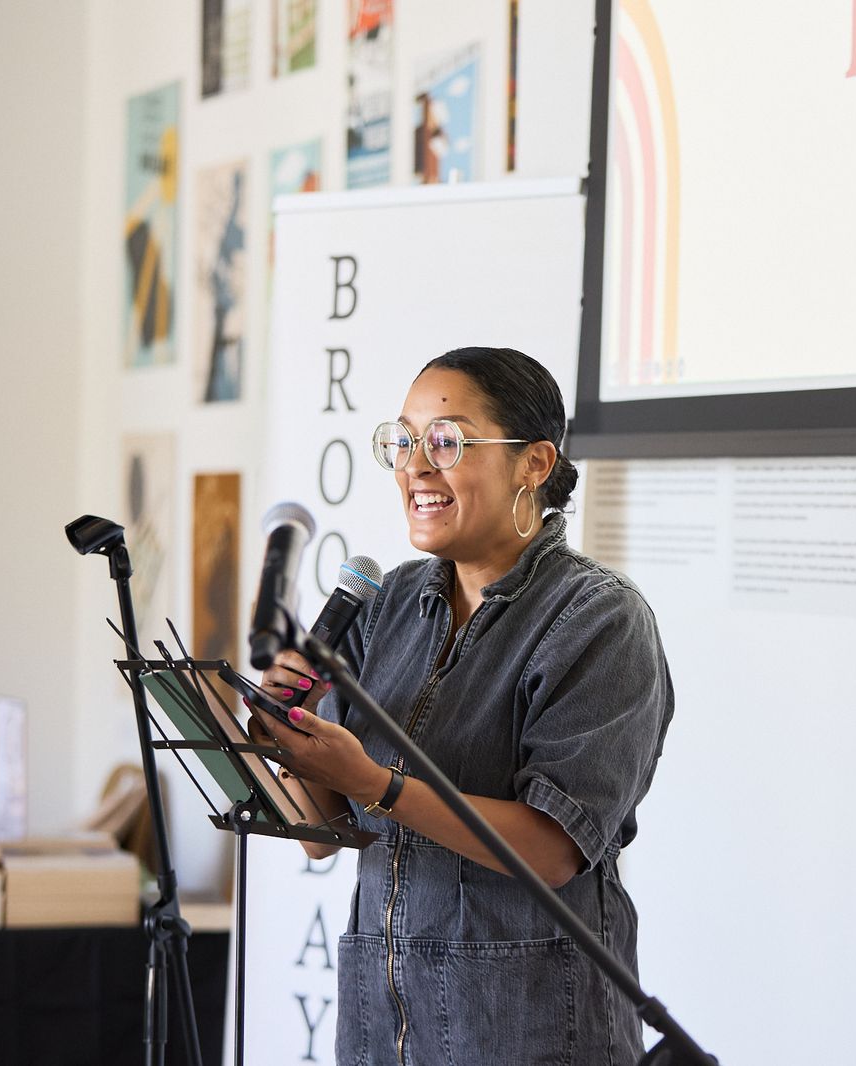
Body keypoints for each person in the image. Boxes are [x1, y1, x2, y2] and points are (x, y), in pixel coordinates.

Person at [253, 346, 674, 1066]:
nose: (414, 466)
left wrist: (374, 784)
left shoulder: (599, 620)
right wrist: (282, 738)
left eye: (445, 441)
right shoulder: (388, 603)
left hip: (526, 1033)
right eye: (404, 440)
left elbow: (550, 848)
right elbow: (322, 834)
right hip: (383, 1030)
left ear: (534, 464)